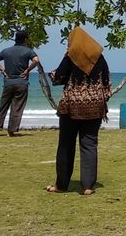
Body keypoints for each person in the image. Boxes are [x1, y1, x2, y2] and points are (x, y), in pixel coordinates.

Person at [46, 26, 111, 196]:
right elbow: (106, 82)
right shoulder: (100, 57)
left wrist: (52, 74)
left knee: (66, 145)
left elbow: (59, 76)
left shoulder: (70, 56)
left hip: (71, 107)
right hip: (95, 107)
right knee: (89, 144)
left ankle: (61, 185)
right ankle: (88, 186)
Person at [0, 29, 41, 137]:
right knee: (17, 107)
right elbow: (36, 60)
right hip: (21, 82)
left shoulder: (6, 51)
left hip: (8, 82)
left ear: (15, 38)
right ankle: (12, 130)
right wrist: (28, 70)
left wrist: (2, 70)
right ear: (25, 39)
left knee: (3, 106)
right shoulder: (28, 51)